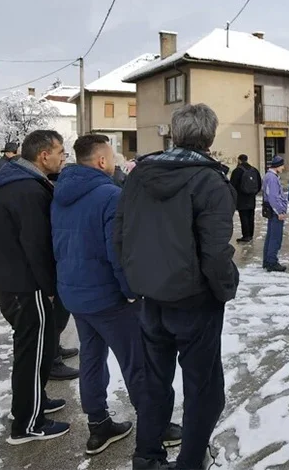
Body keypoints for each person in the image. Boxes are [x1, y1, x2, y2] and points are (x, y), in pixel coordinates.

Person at [114, 104, 239, 470]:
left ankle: (147, 456)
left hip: (150, 297)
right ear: (210, 138)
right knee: (205, 390)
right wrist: (225, 287)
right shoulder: (211, 182)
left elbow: (119, 233)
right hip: (193, 300)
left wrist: (133, 281)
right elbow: (216, 253)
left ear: (174, 133)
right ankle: (188, 463)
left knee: (155, 382)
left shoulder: (139, 175)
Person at [51, 134, 181, 457]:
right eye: (111, 155)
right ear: (100, 161)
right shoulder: (109, 195)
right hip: (108, 298)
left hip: (75, 293)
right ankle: (157, 428)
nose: (114, 161)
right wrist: (131, 292)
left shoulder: (59, 193)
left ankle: (98, 426)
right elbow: (118, 252)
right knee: (137, 363)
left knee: (91, 359)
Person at [0, 130, 69, 445]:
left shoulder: (15, 182)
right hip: (26, 286)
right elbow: (37, 247)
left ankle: (31, 402)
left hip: (12, 282)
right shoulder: (27, 190)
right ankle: (28, 424)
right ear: (43, 155)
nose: (63, 156)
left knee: (31, 351)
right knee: (32, 353)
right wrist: (49, 288)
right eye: (60, 150)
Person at [262, 156, 288, 272]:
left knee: (270, 236)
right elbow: (273, 197)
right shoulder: (272, 178)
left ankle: (267, 260)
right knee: (275, 237)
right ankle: (272, 262)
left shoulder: (269, 176)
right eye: (282, 165)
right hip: (275, 211)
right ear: (277, 165)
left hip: (271, 210)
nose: (283, 167)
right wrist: (280, 211)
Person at [230, 154, 262, 243]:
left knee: (243, 216)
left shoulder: (237, 171)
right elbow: (259, 184)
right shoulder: (254, 170)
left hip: (241, 198)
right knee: (251, 216)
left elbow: (232, 185)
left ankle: (246, 235)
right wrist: (253, 193)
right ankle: (250, 234)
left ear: (239, 160)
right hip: (251, 197)